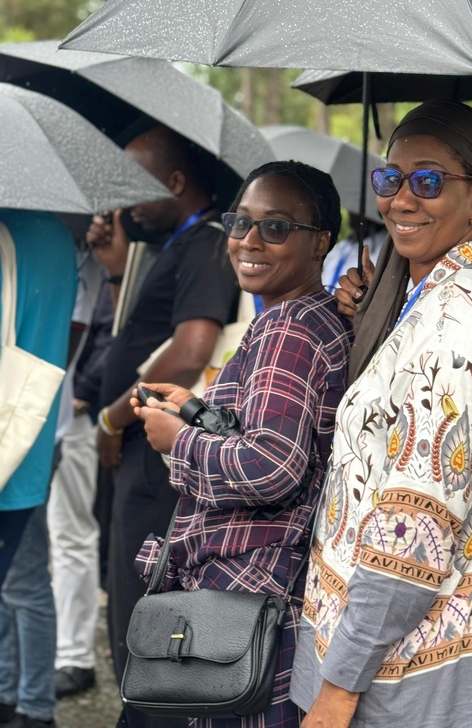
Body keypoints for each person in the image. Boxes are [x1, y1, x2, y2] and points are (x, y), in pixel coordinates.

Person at [289, 100, 472, 728]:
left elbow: (414, 529)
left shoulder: (459, 326)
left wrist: (339, 687)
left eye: (428, 180)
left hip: (419, 663)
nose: (401, 199)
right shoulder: (461, 286)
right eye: (390, 179)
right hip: (438, 647)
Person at [132, 160, 353, 728]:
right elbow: (268, 433)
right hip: (266, 591)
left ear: (320, 243)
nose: (249, 241)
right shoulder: (318, 318)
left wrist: (178, 442)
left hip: (243, 591)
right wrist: (196, 410)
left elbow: (272, 465)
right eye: (240, 222)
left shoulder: (288, 328)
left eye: (276, 227)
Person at [87, 123, 239, 727]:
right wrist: (117, 268)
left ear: (176, 182)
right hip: (144, 456)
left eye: (135, 184)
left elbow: (189, 350)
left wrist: (109, 418)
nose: (124, 199)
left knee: (145, 616)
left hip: (157, 456)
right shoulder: (177, 243)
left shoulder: (204, 244)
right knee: (129, 606)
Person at [0, 210, 77, 728]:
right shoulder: (55, 236)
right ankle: (19, 695)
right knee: (22, 580)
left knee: (21, 584)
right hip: (35, 427)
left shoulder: (8, 231)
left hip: (11, 432)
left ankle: (29, 703)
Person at [50, 272, 114, 699]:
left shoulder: (98, 267)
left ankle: (73, 654)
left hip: (69, 415)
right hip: (44, 410)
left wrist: (84, 390)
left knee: (71, 535)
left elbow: (111, 333)